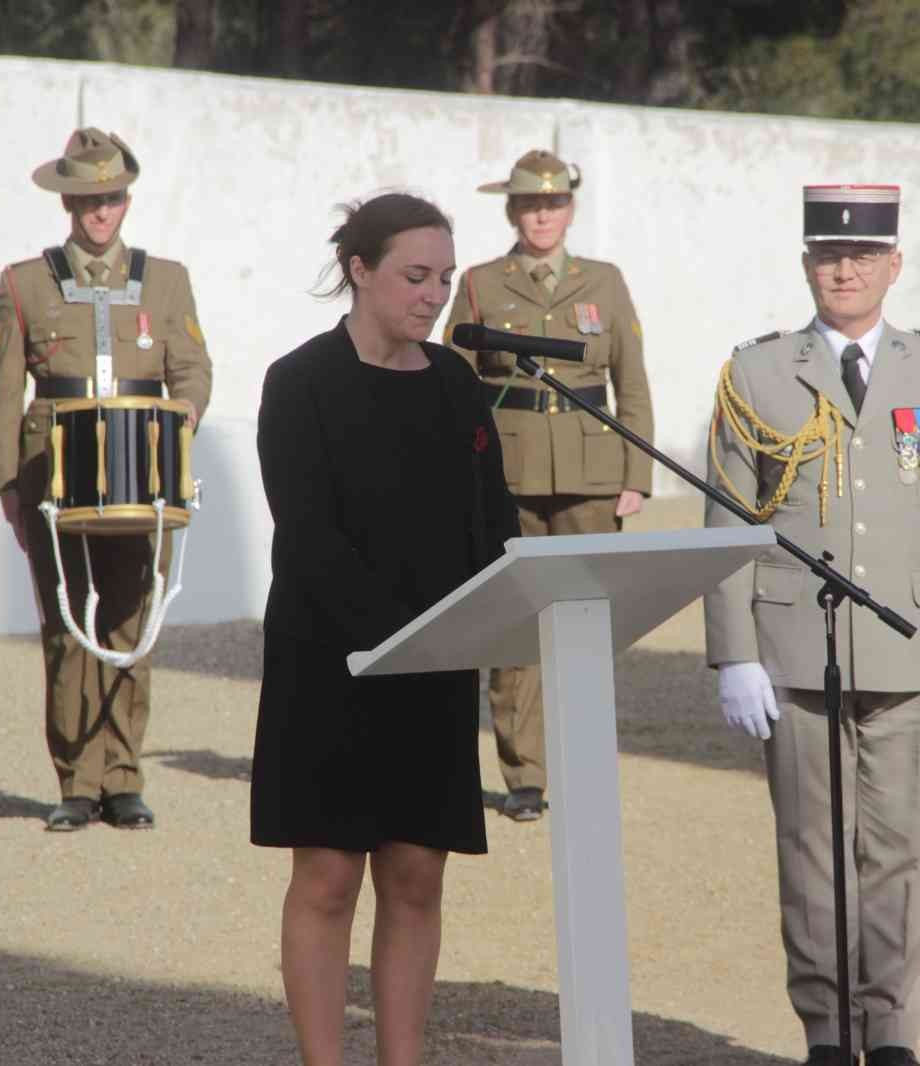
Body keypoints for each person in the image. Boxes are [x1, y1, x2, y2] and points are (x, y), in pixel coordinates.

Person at [703, 184, 920, 1066]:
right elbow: (727, 520)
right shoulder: (756, 372)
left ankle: (894, 1030)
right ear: (806, 264)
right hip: (795, 646)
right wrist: (734, 654)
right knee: (810, 851)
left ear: (894, 265)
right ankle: (829, 1030)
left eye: (865, 256)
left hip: (912, 645)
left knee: (903, 851)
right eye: (829, 254)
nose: (846, 268)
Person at [252, 192, 518, 1066]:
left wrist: (484, 617)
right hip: (332, 661)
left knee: (416, 875)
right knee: (327, 878)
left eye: (443, 277)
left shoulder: (456, 385)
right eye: (415, 275)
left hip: (436, 662)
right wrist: (397, 638)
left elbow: (493, 524)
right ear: (359, 271)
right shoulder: (300, 383)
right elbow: (309, 532)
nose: (434, 294)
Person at [0, 128, 212, 831]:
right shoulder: (25, 281)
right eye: (87, 199)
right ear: (67, 201)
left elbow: (193, 371)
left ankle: (123, 777)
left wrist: (179, 427)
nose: (99, 212)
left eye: (110, 198)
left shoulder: (167, 278)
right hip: (55, 477)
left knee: (131, 619)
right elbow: (4, 390)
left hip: (144, 474)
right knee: (66, 625)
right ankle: (75, 783)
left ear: (126, 199)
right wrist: (8, 487)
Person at [444, 148, 653, 821]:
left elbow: (633, 380)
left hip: (592, 472)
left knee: (586, 619)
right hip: (507, 470)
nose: (542, 214)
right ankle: (525, 774)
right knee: (517, 624)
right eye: (531, 203)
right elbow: (453, 385)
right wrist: (462, 473)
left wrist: (637, 472)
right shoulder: (480, 283)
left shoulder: (606, 280)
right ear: (512, 209)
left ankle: (583, 761)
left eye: (554, 202)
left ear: (570, 208)